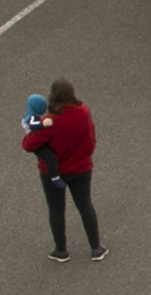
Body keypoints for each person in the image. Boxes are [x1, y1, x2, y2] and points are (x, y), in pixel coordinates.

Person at [24, 78, 100, 263]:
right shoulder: (83, 112)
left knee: (56, 210)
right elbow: (90, 140)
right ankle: (96, 248)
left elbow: (28, 144)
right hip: (81, 168)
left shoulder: (50, 120)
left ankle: (61, 250)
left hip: (52, 171)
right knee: (85, 206)